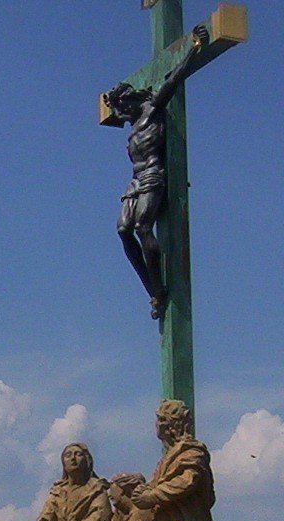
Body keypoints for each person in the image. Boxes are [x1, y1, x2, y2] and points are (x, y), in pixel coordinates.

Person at [104, 24, 209, 319]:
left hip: (152, 174)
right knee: (123, 230)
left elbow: (173, 80)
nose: (121, 112)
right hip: (135, 181)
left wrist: (194, 48)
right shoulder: (133, 124)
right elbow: (117, 112)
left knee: (142, 228)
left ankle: (161, 285)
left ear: (134, 99)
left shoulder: (152, 109)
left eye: (123, 105)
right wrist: (110, 103)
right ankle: (153, 290)